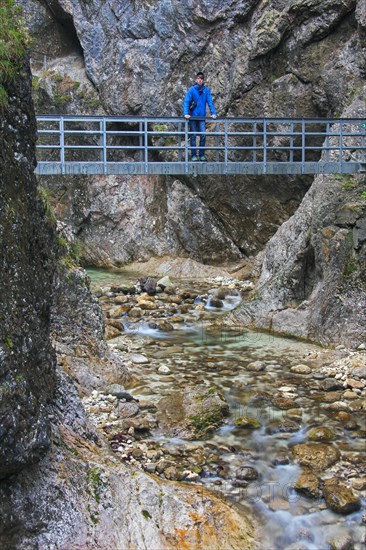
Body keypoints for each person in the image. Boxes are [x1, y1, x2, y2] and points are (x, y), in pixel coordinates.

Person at [183, 72, 217, 161]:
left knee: (203, 135)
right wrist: (186, 113)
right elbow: (187, 101)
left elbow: (210, 102)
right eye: (198, 78)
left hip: (202, 117)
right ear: (196, 79)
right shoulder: (192, 90)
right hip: (193, 117)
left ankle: (201, 155)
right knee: (193, 135)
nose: (200, 80)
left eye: (201, 78)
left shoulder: (206, 90)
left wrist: (213, 113)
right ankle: (194, 155)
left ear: (203, 80)